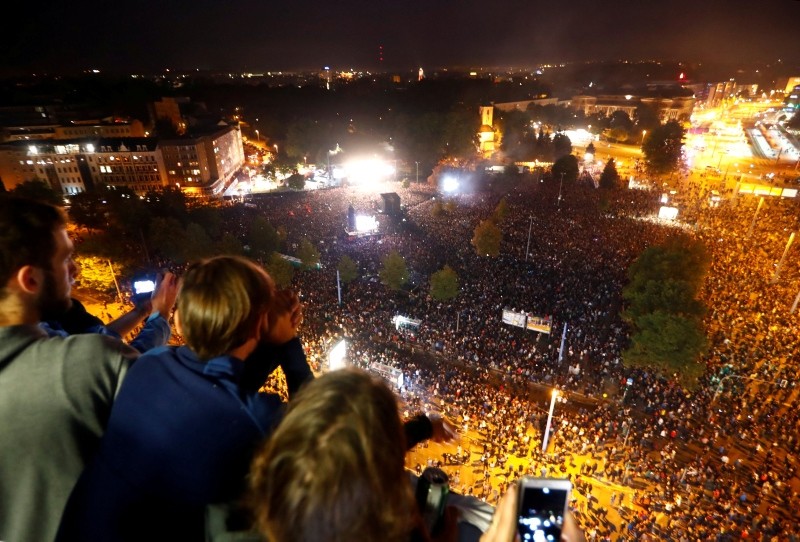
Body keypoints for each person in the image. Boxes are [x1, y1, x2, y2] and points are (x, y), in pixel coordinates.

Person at [56, 255, 310, 542]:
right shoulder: (257, 422)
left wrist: (266, 339)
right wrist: (288, 342)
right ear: (258, 326)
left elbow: (217, 386)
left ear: (179, 320)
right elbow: (320, 428)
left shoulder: (150, 364)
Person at [0, 195, 178, 542]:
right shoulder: (88, 363)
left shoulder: (61, 344)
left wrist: (145, 311)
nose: (75, 270)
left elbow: (101, 339)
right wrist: (162, 318)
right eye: (65, 259)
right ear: (30, 280)